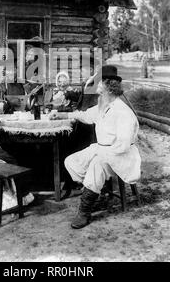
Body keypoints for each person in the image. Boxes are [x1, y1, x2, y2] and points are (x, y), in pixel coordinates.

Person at [49, 65, 141, 229]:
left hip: (121, 155)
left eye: (99, 86)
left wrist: (104, 155)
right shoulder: (103, 106)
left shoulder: (123, 112)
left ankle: (84, 211)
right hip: (103, 149)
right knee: (72, 161)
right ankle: (93, 191)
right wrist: (61, 114)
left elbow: (123, 144)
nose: (97, 89)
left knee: (96, 166)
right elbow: (84, 115)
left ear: (108, 88)